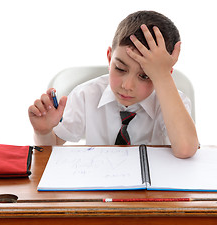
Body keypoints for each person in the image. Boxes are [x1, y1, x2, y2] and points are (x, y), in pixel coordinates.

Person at [28, 10, 199, 158]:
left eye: (145, 76)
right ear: (110, 58)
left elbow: (185, 149)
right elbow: (52, 147)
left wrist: (161, 76)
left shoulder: (173, 102)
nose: (127, 85)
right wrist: (43, 132)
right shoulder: (86, 95)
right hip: (99, 187)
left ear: (165, 75)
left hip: (152, 192)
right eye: (120, 68)